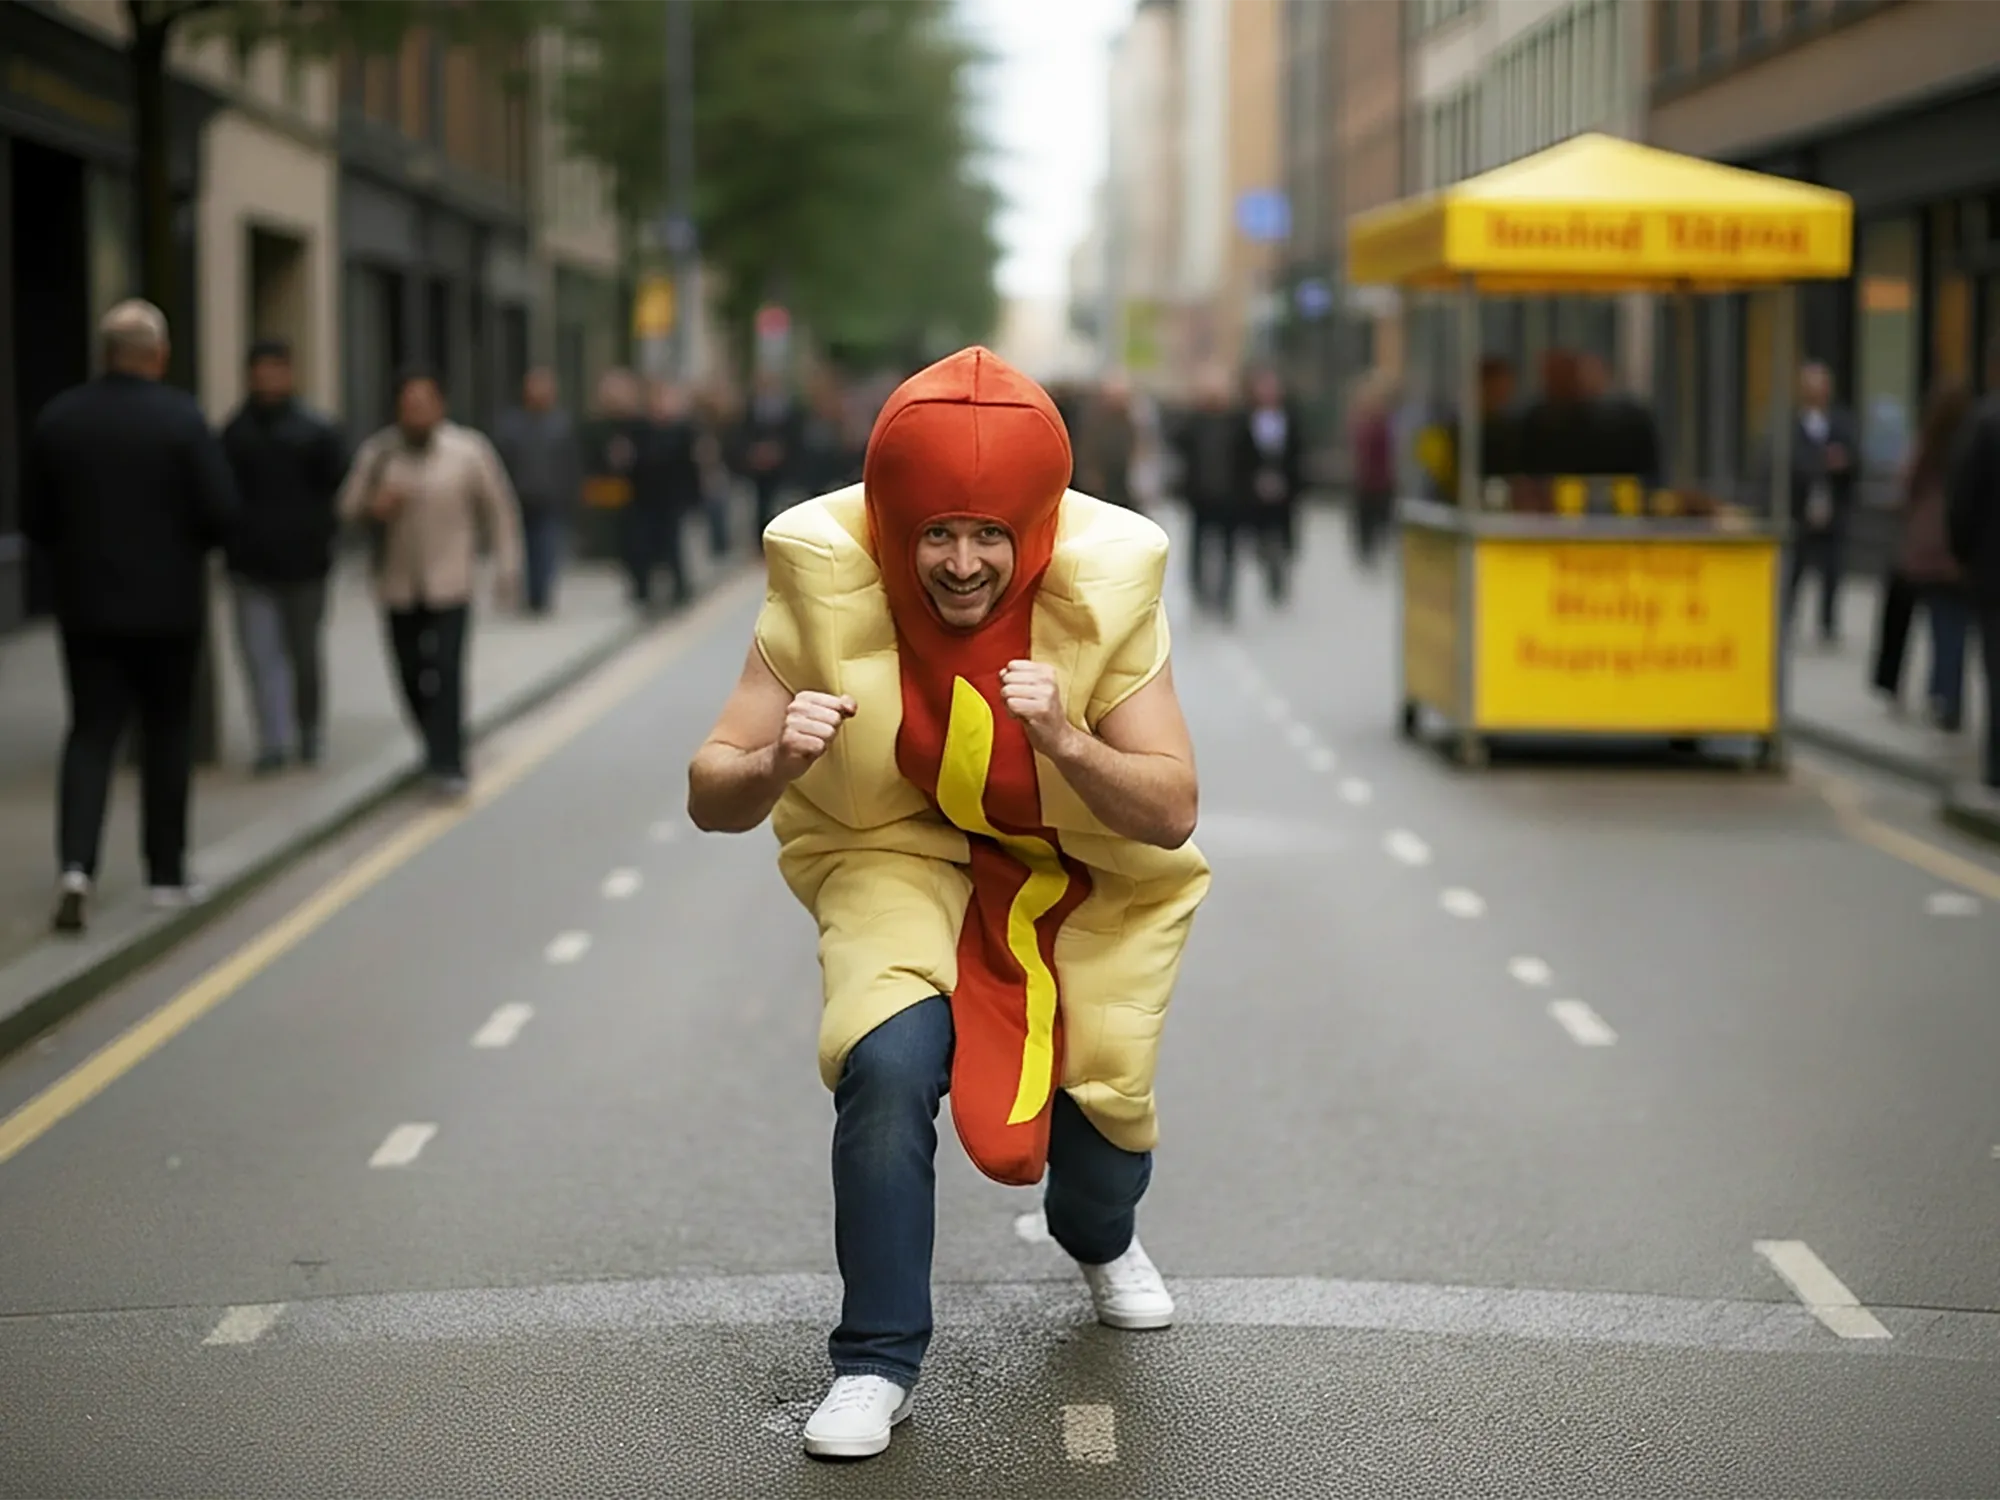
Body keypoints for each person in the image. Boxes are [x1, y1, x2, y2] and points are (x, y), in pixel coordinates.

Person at [687, 347, 1208, 1462]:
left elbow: (1168, 809)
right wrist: (775, 759)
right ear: (890, 527)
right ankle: (874, 1360)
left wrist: (1066, 737)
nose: (962, 563)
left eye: (987, 533)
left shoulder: (1104, 592)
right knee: (881, 1059)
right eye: (934, 533)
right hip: (892, 845)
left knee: (1100, 1107)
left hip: (1078, 866)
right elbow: (709, 791)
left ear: (1033, 529)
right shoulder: (821, 579)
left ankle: (1099, 1234)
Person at [22, 300, 237, 933]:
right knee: (166, 735)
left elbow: (34, 519)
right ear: (158, 355)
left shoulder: (60, 419)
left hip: (87, 607)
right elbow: (221, 510)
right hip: (169, 610)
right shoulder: (180, 419)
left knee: (90, 733)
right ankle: (166, 874)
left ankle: (76, 867)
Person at [336, 368, 522, 798]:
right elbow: (347, 507)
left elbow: (499, 511)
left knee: (446, 671)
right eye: (408, 406)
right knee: (410, 675)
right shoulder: (379, 453)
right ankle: (434, 743)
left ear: (440, 406)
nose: (416, 413)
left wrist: (507, 569)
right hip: (397, 585)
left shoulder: (468, 451)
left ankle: (448, 760)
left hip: (450, 583)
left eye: (424, 404)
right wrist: (373, 505)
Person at [218, 338, 348, 774]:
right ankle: (272, 741)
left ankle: (309, 730)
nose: (268, 378)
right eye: (261, 370)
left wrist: (322, 538)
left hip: (305, 566)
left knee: (303, 653)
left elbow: (338, 490)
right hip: (250, 567)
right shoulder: (234, 435)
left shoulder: (316, 432)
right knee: (260, 657)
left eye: (276, 369)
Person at [1873, 383, 1973, 730]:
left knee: (1929, 623)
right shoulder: (1970, 444)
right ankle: (1949, 695)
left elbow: (1907, 486)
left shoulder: (1926, 446)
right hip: (1960, 550)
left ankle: (1936, 692)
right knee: (1953, 628)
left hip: (1925, 549)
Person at [1947, 335, 2000, 795]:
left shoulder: (1985, 421)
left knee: (1997, 670)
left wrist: (1965, 557)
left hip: (1993, 575)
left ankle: (1997, 768)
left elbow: (1961, 504)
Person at [492, 368, 583, 617]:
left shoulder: (561, 424)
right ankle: (527, 594)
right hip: (518, 498)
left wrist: (571, 495)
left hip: (551, 499)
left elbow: (571, 464)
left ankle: (540, 596)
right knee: (523, 550)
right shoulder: (511, 425)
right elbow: (500, 463)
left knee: (546, 547)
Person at [1785, 362, 1860, 646]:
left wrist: (1845, 462)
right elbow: (1783, 463)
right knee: (1796, 570)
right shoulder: (1792, 425)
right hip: (1801, 510)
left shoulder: (1841, 423)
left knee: (1833, 569)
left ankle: (1828, 622)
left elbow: (1856, 458)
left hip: (1834, 508)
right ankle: (1788, 619)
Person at [628, 379, 705, 611]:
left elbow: (692, 467)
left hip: (674, 499)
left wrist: (695, 498)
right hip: (646, 499)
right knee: (645, 545)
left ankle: (679, 587)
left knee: (673, 545)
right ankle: (645, 589)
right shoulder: (641, 431)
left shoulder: (683, 431)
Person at [1174, 366, 1244, 615]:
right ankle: (1200, 591)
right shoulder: (1195, 420)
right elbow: (1178, 441)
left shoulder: (1237, 420)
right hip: (1200, 495)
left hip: (1230, 495)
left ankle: (1225, 596)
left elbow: (1247, 456)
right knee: (1199, 546)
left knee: (1228, 548)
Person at [1241, 367, 1304, 603]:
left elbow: (1298, 452)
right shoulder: (1247, 418)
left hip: (1285, 487)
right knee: (1262, 534)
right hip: (1255, 488)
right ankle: (1266, 563)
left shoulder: (1290, 418)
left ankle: (1280, 576)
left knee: (1283, 534)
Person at [1348, 371, 1398, 567]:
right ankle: (1366, 552)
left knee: (1381, 521)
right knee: (1365, 523)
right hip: (1366, 481)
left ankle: (1374, 551)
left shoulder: (1386, 423)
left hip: (1382, 480)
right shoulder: (1360, 422)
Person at [1074, 373, 1138, 511]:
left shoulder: (1127, 420)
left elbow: (1133, 444)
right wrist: (1089, 473)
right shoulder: (1096, 420)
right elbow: (1087, 448)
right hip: (1103, 481)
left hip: (1122, 479)